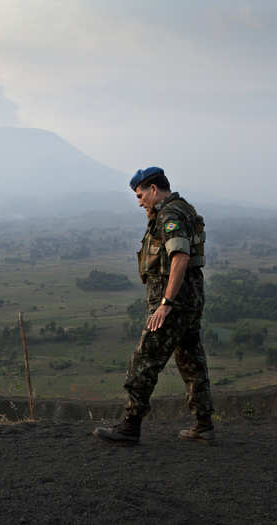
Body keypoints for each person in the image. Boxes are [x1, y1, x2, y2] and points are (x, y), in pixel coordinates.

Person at [93, 167, 215, 445]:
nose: (139, 202)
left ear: (154, 189)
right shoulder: (181, 208)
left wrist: (166, 303)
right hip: (191, 299)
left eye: (140, 195)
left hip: (174, 301)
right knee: (190, 359)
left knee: (145, 359)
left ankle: (129, 426)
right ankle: (203, 423)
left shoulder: (170, 214)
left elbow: (180, 256)